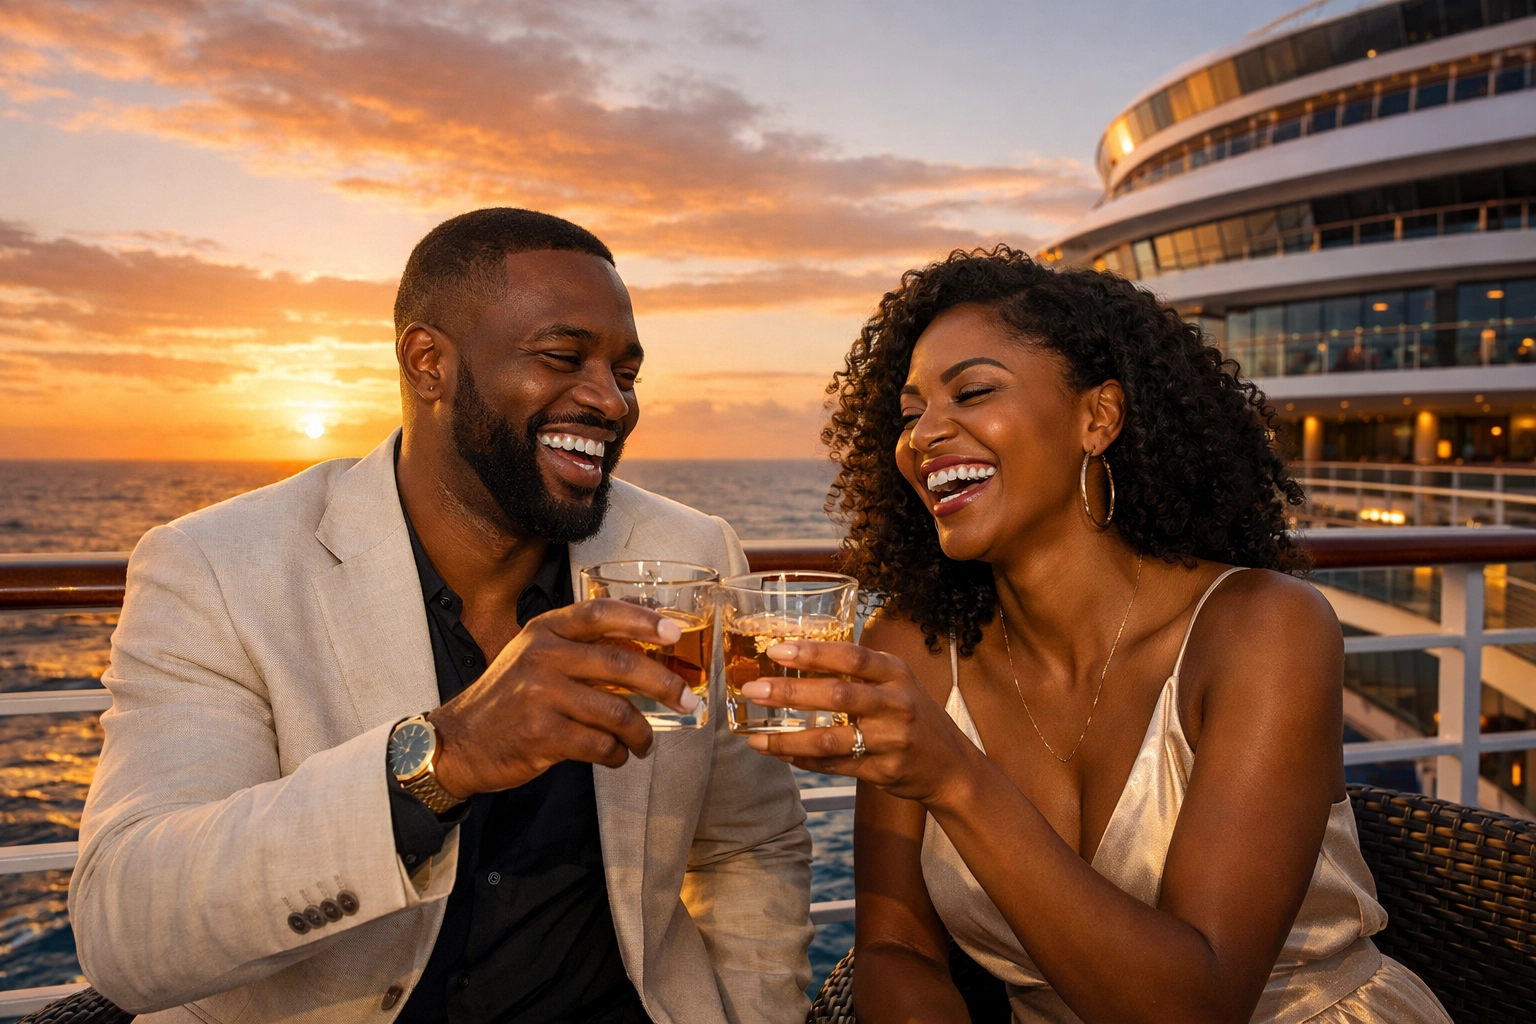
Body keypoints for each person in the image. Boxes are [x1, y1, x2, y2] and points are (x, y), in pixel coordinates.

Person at [70, 209, 813, 1024]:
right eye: (564, 358)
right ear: (428, 363)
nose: (610, 400)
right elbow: (126, 924)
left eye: (625, 373)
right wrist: (442, 760)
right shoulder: (217, 566)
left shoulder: (693, 551)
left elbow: (748, 845)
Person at [740, 248, 1451, 1023]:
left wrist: (954, 775)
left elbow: (1201, 1004)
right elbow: (895, 949)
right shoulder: (910, 646)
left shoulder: (1261, 630)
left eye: (972, 392)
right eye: (910, 414)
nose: (924, 436)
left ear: (1097, 417)